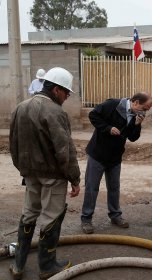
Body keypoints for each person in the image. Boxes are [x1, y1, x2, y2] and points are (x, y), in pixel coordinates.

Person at [9, 67, 81, 279]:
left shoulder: (20, 108)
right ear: (57, 90)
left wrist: (24, 169)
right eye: (66, 93)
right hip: (53, 176)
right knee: (51, 216)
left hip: (30, 174)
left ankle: (18, 265)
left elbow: (12, 144)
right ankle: (47, 266)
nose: (67, 97)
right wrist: (74, 178)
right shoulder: (55, 112)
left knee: (29, 213)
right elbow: (65, 150)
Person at [81, 92, 152, 234]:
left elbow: (132, 138)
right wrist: (107, 128)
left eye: (147, 110)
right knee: (91, 188)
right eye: (144, 108)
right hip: (98, 154)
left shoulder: (136, 116)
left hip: (115, 157)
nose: (145, 112)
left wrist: (137, 125)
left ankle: (115, 215)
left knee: (114, 188)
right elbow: (93, 115)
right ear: (136, 102)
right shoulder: (112, 105)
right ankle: (86, 219)